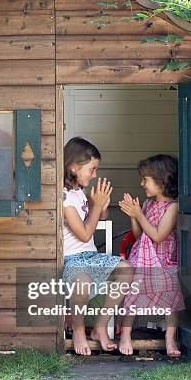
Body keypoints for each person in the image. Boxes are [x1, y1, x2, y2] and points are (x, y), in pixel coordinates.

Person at [63, 137, 133, 356]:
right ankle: (79, 329)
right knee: (82, 282)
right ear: (74, 167)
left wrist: (99, 205)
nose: (94, 175)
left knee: (126, 269)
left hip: (90, 256)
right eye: (92, 169)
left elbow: (100, 220)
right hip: (71, 260)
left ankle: (100, 326)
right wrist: (96, 207)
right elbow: (84, 234)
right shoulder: (63, 197)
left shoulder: (78, 191)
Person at [118, 154, 184, 357]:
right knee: (132, 287)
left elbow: (157, 235)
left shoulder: (173, 207)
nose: (141, 183)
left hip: (164, 260)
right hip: (142, 259)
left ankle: (169, 337)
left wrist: (138, 214)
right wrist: (134, 216)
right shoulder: (147, 204)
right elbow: (140, 237)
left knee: (173, 288)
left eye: (145, 179)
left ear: (161, 180)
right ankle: (125, 335)